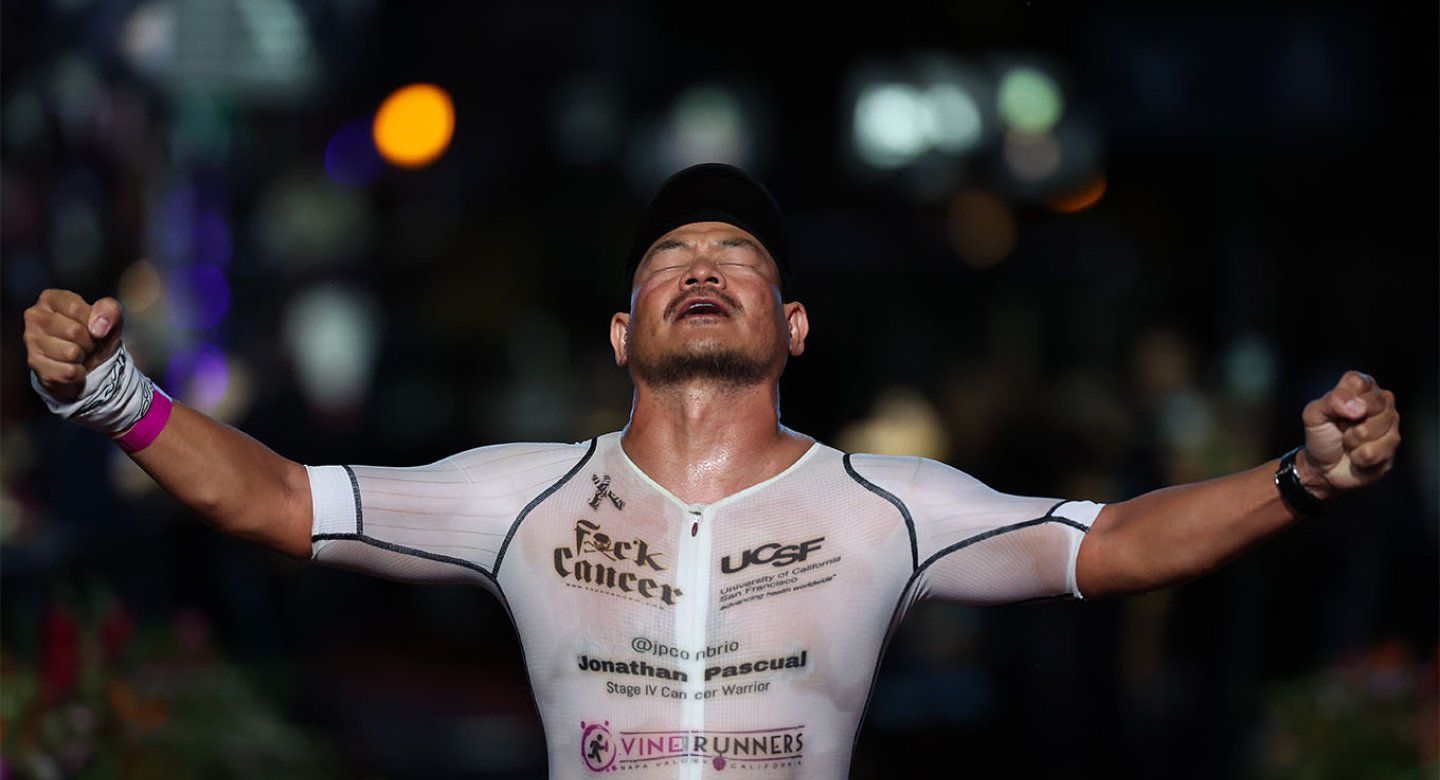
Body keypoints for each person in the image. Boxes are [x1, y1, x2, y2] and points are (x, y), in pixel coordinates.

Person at [23, 163, 1401, 778]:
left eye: (735, 257)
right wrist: (111, 396)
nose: (701, 269)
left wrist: (1299, 480)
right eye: (669, 260)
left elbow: (1111, 545)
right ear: (621, 329)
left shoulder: (886, 509)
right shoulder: (523, 498)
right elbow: (275, 498)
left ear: (792, 325)